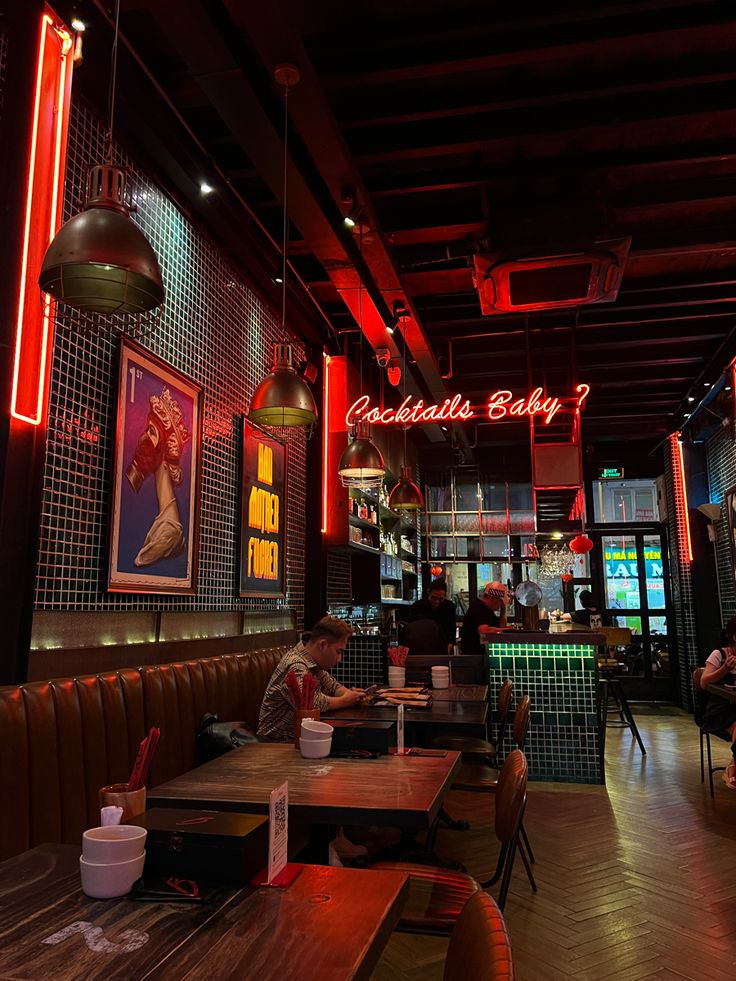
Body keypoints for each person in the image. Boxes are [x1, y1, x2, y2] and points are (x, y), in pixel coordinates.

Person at [257, 615, 364, 742]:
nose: (339, 659)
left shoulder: (313, 664)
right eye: (338, 652)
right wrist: (345, 700)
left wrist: (350, 695)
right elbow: (312, 703)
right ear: (323, 644)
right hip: (275, 744)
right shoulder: (296, 664)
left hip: (299, 739)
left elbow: (333, 686)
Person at [700, 616, 736, 790]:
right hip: (720, 711)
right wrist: (725, 669)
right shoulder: (720, 655)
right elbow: (704, 682)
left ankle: (732, 769)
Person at [407, 578, 457, 653]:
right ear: (428, 592)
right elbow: (411, 632)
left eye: (441, 599)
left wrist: (448, 651)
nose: (437, 601)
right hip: (421, 649)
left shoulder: (449, 607)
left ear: (445, 595)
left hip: (442, 649)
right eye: (434, 598)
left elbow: (451, 632)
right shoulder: (417, 606)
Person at [460, 581, 511, 655]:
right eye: (501, 602)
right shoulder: (479, 608)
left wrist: (503, 609)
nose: (500, 605)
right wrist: (508, 631)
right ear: (493, 598)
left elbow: (501, 626)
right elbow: (484, 631)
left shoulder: (488, 610)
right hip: (474, 658)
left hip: (478, 656)